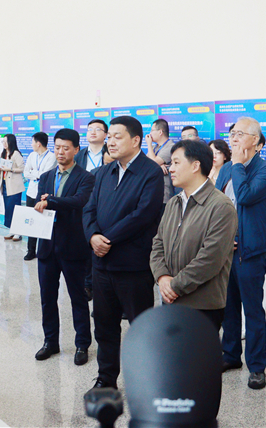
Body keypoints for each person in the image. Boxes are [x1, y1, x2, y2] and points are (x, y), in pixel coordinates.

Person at [83, 115, 164, 390]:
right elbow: (88, 209)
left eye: (117, 136)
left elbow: (143, 214)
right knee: (104, 327)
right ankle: (106, 379)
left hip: (133, 266)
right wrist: (93, 236)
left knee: (141, 328)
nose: (111, 141)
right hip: (101, 265)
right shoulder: (103, 172)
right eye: (109, 137)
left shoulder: (150, 172)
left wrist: (107, 238)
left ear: (136, 140)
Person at [151, 139, 237, 339]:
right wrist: (162, 278)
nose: (170, 168)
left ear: (195, 165)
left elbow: (210, 259)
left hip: (202, 305)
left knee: (197, 358)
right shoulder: (174, 202)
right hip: (170, 299)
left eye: (176, 162)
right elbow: (158, 244)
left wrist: (174, 286)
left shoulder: (221, 206)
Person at [214, 116, 266, 390]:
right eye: (233, 133)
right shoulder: (227, 168)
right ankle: (230, 355)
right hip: (226, 252)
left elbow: (246, 195)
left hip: (249, 252)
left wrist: (238, 164)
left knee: (252, 311)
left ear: (256, 142)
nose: (234, 138)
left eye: (241, 134)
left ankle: (257, 366)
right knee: (227, 309)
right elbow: (217, 204)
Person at [32, 128, 95, 365]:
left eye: (66, 148)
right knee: (47, 298)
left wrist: (51, 201)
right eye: (57, 147)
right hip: (47, 247)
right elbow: (39, 203)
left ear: (76, 150)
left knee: (78, 298)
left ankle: (82, 344)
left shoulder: (86, 177)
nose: (60, 152)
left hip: (73, 247)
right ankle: (50, 342)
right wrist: (42, 203)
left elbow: (79, 201)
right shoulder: (46, 176)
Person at [74, 119, 109, 300]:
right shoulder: (79, 155)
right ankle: (88, 285)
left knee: (102, 244)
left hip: (106, 204)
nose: (93, 132)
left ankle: (102, 286)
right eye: (89, 129)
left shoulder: (111, 153)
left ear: (106, 134)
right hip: (83, 205)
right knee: (85, 245)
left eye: (97, 129)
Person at [23, 132, 56, 260]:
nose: (31, 144)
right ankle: (31, 250)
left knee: (44, 222)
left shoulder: (51, 157)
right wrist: (37, 174)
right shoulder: (32, 155)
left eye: (32, 142)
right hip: (31, 192)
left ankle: (44, 250)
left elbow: (45, 175)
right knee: (31, 222)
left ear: (38, 143)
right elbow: (26, 173)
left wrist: (34, 173)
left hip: (43, 194)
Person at [0, 133, 24, 241]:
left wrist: (10, 169)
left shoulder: (16, 154)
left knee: (15, 208)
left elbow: (22, 168)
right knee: (8, 209)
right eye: (2, 141)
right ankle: (12, 230)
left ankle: (18, 232)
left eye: (5, 141)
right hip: (5, 184)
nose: (3, 143)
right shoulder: (3, 153)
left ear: (10, 142)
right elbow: (0, 166)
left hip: (14, 186)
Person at [145, 118, 174, 202]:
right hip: (151, 190)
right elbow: (145, 164)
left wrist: (149, 144)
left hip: (164, 193)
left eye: (152, 130)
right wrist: (159, 166)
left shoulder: (171, 146)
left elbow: (153, 162)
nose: (150, 134)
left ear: (160, 132)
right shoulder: (154, 147)